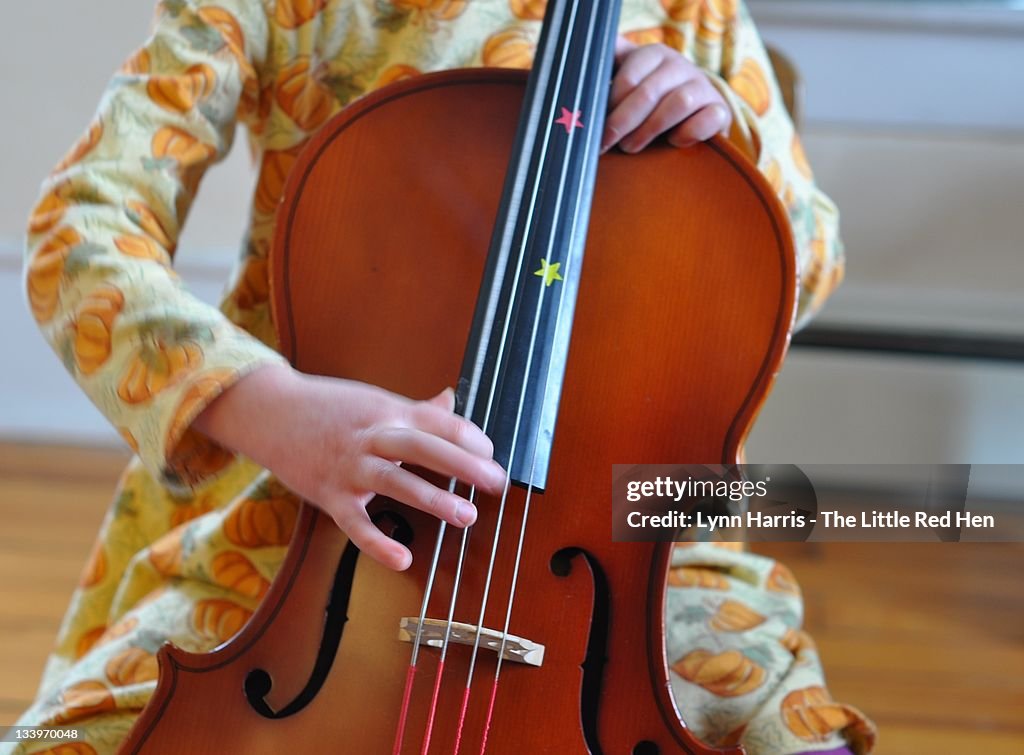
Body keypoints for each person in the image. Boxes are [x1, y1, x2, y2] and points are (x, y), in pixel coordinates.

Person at [12, 1, 875, 753]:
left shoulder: (695, 10)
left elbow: (811, 259)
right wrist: (279, 412)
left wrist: (728, 136)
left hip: (625, 561)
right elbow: (76, 232)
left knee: (792, 739)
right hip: (300, 531)